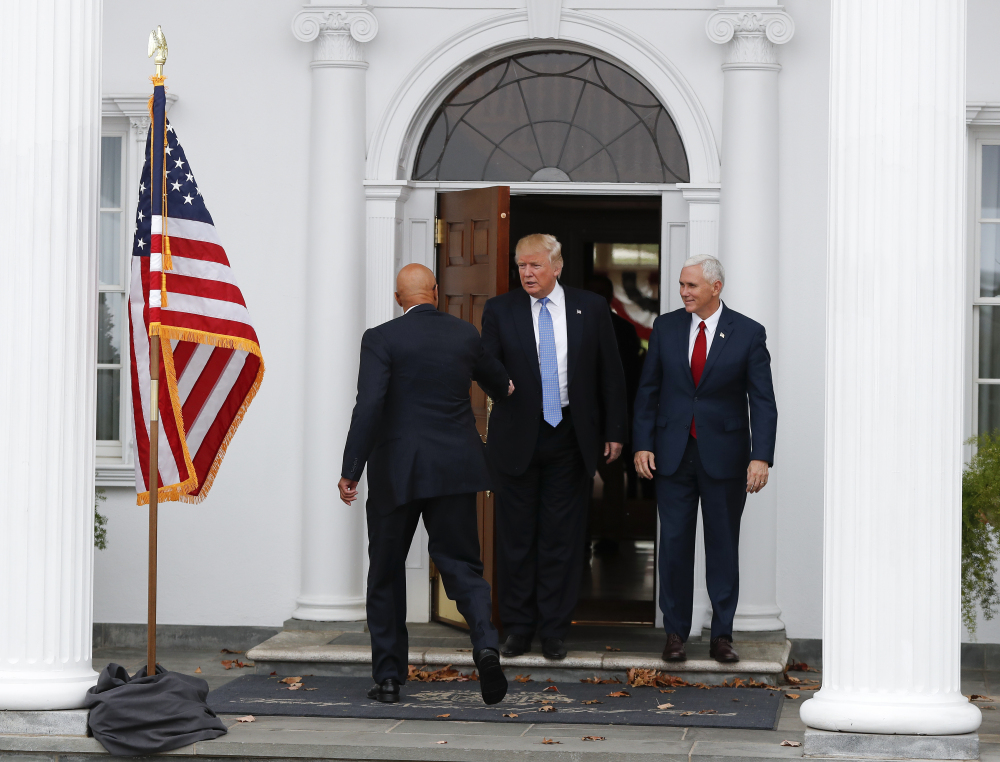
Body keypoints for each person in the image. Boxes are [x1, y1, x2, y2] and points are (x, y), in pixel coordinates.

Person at [339, 264, 513, 705]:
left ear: (399, 299)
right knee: (461, 566)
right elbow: (504, 385)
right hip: (455, 468)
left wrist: (351, 468)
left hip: (396, 470)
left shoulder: (381, 338)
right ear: (436, 292)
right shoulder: (464, 335)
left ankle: (390, 679)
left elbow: (370, 404)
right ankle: (487, 647)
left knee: (385, 573)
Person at [481, 234, 627, 660]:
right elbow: (483, 359)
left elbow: (610, 373)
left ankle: (554, 630)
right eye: (521, 266)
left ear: (557, 266)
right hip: (517, 439)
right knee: (516, 539)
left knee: (562, 539)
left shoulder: (591, 308)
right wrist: (497, 380)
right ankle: (519, 627)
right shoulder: (501, 309)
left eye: (535, 266)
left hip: (570, 435)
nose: (526, 273)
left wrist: (615, 430)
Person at [632, 254, 777, 664]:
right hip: (673, 457)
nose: (683, 293)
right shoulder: (666, 327)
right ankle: (675, 633)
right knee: (674, 545)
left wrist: (760, 457)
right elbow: (648, 391)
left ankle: (722, 636)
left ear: (716, 287)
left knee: (722, 546)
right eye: (681, 285)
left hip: (726, 460)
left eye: (691, 286)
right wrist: (643, 443)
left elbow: (762, 402)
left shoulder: (748, 333)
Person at [586, 274, 642, 553]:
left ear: (610, 298)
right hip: (578, 422)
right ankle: (580, 540)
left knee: (613, 485)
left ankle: (611, 538)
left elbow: (629, 380)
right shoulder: (574, 326)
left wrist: (620, 425)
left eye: (602, 292)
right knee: (576, 485)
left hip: (609, 422)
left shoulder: (623, 329)